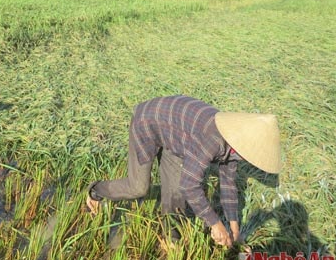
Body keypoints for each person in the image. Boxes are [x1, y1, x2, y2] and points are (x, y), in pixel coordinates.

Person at [86, 95, 281, 247]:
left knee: (175, 193)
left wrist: (234, 229)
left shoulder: (235, 145)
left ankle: (170, 237)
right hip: (148, 122)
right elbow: (191, 186)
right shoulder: (213, 139)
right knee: (138, 187)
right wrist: (215, 223)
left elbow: (228, 185)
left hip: (176, 136)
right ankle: (95, 191)